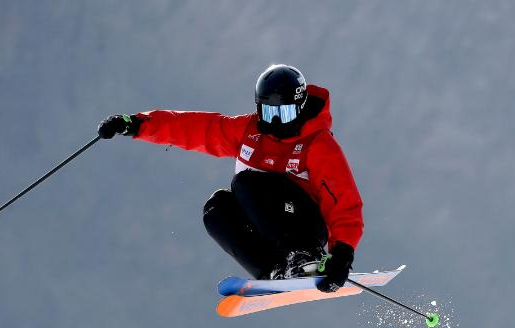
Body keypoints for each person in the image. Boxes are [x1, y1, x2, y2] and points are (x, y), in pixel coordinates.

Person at [97, 64, 364, 292]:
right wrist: (136, 124)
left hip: (305, 226)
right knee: (217, 208)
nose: (275, 123)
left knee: (245, 183)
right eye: (268, 113)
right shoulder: (249, 131)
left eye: (284, 114)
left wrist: (341, 256)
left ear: (300, 107)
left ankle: (303, 256)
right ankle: (274, 272)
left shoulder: (318, 144)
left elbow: (345, 202)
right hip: (271, 230)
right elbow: (196, 128)